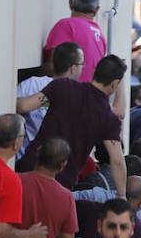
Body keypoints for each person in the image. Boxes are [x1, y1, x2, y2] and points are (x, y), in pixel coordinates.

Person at [16, 54, 128, 198]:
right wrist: (121, 195)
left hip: (28, 168)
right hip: (60, 184)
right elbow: (117, 160)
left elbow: (24, 106)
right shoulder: (108, 117)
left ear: (95, 72)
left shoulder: (62, 86)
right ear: (114, 84)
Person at [43, 0, 107, 80]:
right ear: (97, 9)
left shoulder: (66, 25)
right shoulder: (100, 34)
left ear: (70, 4)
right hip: (92, 93)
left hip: (71, 92)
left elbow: (52, 67)